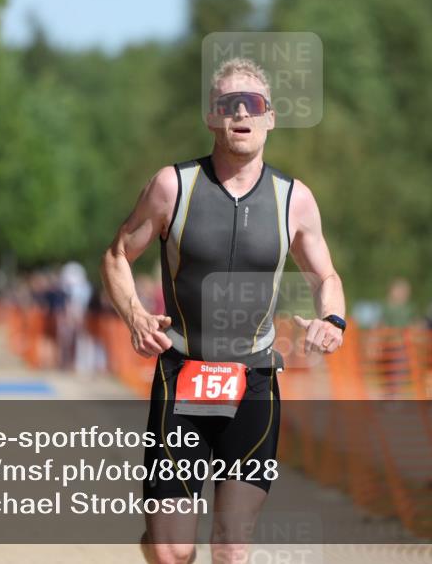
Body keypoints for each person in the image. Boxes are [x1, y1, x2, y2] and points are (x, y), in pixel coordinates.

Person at [101, 57, 346, 564]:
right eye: (227, 103)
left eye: (251, 103)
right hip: (182, 376)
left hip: (253, 382)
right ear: (212, 118)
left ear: (270, 117)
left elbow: (327, 277)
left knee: (231, 547)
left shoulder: (293, 200)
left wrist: (332, 320)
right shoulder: (173, 186)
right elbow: (116, 256)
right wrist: (134, 316)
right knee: (172, 551)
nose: (240, 111)